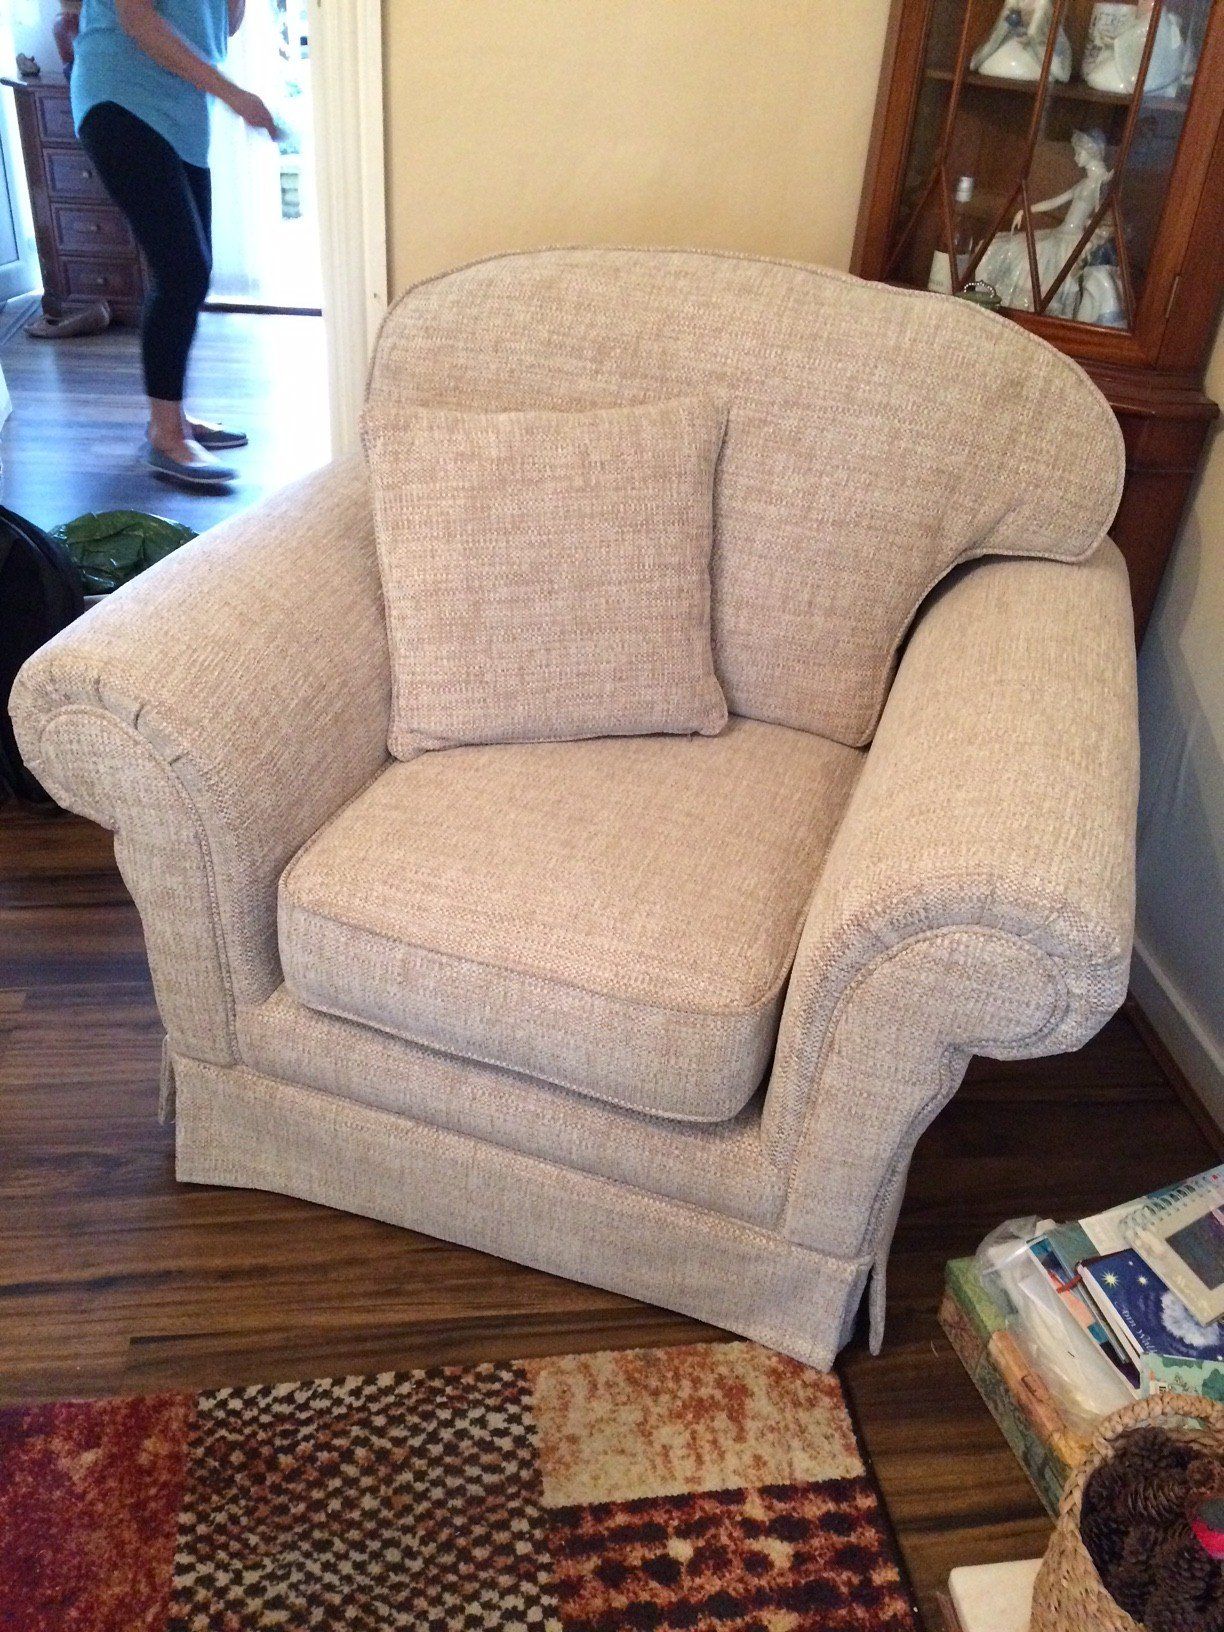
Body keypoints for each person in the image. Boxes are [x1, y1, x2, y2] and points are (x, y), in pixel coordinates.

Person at [58, 1, 280, 485]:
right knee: (183, 272)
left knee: (188, 276)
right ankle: (166, 434)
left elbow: (220, 28)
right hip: (121, 100)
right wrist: (234, 95)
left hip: (179, 115)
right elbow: (139, 21)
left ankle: (174, 415)